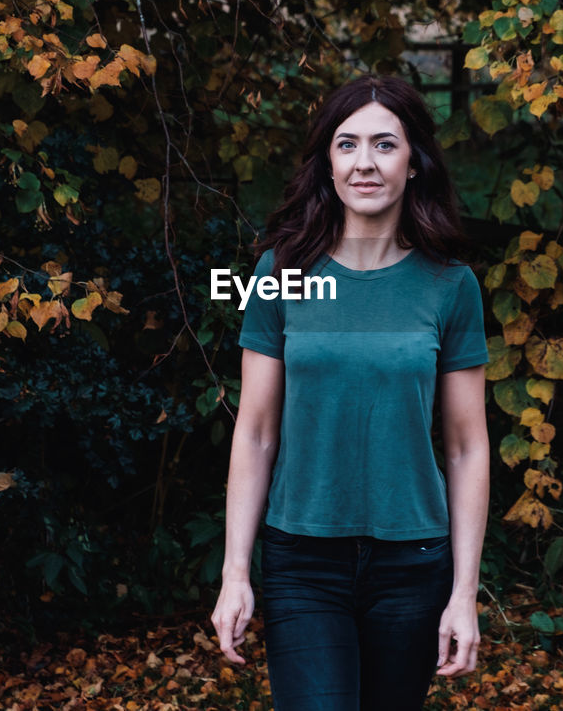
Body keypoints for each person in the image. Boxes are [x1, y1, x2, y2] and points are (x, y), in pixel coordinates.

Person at [210, 75, 490, 711]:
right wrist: (234, 574)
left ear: (414, 164)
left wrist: (464, 593)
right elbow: (254, 432)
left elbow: (468, 447)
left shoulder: (450, 285)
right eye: (347, 145)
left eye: (384, 145)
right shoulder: (281, 272)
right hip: (302, 560)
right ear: (327, 163)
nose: (364, 163)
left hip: (413, 564)